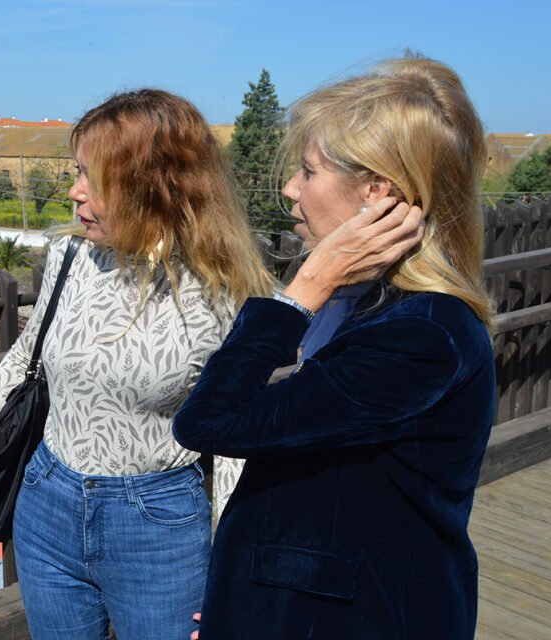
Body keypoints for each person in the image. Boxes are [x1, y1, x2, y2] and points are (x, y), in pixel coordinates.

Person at [173, 54, 494, 639]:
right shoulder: (369, 304)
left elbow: (209, 422)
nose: (290, 189)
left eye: (309, 171)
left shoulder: (419, 334)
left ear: (379, 194)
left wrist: (303, 289)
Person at [0, 89, 275, 640]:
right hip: (46, 503)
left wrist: (232, 577)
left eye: (95, 180)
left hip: (159, 529)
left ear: (155, 186)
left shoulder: (223, 291)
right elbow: (26, 360)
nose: (74, 193)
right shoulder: (71, 258)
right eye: (78, 172)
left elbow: (237, 445)